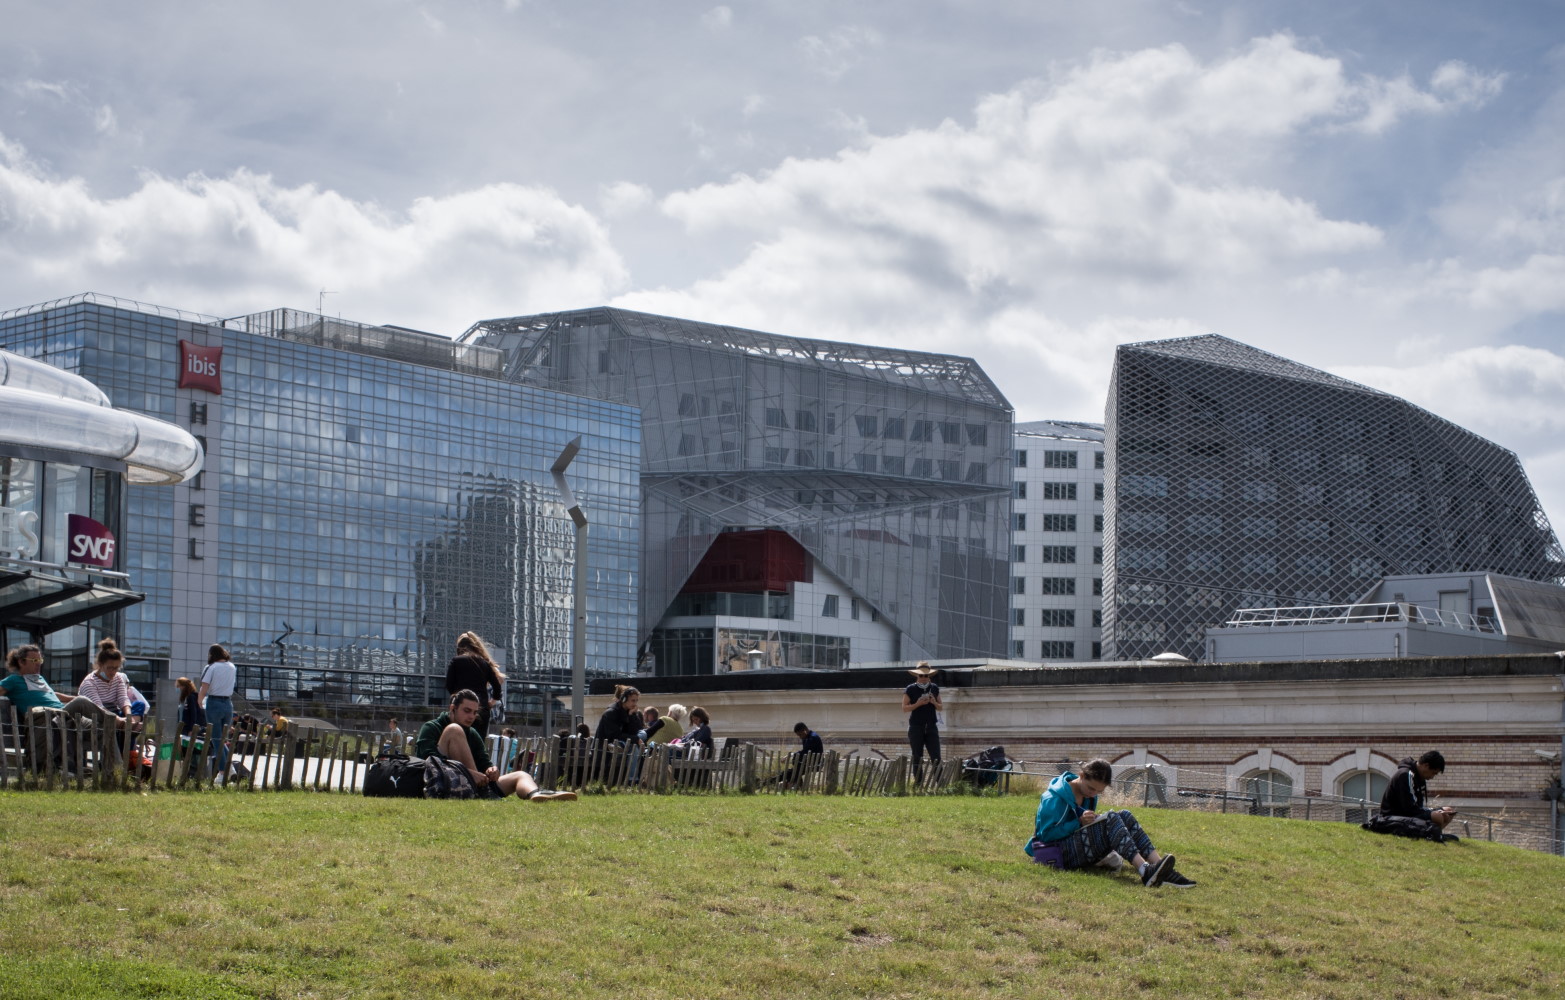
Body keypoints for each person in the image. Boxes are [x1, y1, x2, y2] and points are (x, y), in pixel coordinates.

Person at [1028, 758, 1195, 888]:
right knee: (1112, 818)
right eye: (1091, 789)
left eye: (1098, 792)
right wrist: (1079, 822)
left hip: (1072, 846)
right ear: (1081, 776)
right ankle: (1145, 870)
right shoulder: (1053, 799)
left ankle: (1159, 867)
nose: (1093, 795)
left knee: (1125, 815)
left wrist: (1091, 822)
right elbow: (1046, 835)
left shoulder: (1086, 795)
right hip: (1056, 854)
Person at [416, 690, 574, 801]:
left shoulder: (472, 733)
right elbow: (428, 761)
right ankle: (479, 792)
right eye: (466, 711)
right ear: (452, 708)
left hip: (481, 786)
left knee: (521, 775)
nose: (471, 716)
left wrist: (492, 770)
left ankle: (535, 795)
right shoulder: (432, 727)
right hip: (444, 784)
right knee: (454, 730)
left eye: (474, 712)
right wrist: (470, 774)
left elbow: (484, 762)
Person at [1, 644, 128, 770]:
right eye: (34, 660)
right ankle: (117, 721)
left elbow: (50, 694)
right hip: (49, 719)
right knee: (82, 701)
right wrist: (78, 700)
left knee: (104, 728)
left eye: (40, 660)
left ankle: (116, 772)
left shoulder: (39, 679)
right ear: (21, 662)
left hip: (65, 717)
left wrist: (70, 698)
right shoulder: (13, 680)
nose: (39, 663)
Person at [443, 632, 505, 737]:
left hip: (461, 708)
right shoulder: (484, 663)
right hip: (481, 708)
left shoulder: (456, 661)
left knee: (458, 739)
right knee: (478, 742)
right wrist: (491, 702)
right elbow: (497, 687)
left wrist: (457, 700)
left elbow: (449, 685)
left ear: (459, 647)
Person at [1379, 751, 1456, 831]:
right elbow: (1409, 808)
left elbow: (1418, 807)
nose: (1432, 777)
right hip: (1392, 817)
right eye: (1433, 773)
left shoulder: (1420, 778)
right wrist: (1433, 812)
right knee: (1438, 817)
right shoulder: (1405, 775)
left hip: (1407, 814)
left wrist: (1438, 810)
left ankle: (1433, 835)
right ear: (1426, 765)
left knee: (1448, 811)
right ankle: (1432, 835)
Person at [197, 643, 236, 779]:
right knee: (222, 739)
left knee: (216, 738)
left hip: (214, 702)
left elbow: (204, 687)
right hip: (228, 703)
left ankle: (222, 772)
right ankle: (229, 767)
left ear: (211, 655)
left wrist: (199, 701)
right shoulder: (232, 667)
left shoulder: (211, 667)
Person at [902, 663, 942, 783]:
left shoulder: (934, 688)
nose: (923, 678)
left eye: (926, 675)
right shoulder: (911, 688)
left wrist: (933, 702)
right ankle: (918, 784)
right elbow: (904, 708)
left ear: (929, 676)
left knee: (936, 756)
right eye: (921, 675)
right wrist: (918, 704)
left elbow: (940, 707)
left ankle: (939, 784)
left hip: (931, 726)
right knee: (917, 756)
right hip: (916, 726)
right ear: (917, 676)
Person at [77, 639, 132, 718]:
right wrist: (119, 720)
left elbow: (123, 698)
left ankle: (130, 724)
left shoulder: (118, 678)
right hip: (98, 715)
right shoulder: (89, 682)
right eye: (109, 668)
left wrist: (128, 716)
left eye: (116, 668)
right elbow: (98, 707)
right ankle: (124, 726)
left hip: (115, 712)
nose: (113, 672)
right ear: (100, 664)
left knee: (138, 705)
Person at [775, 722, 823, 788]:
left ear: (804, 731)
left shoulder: (813, 738)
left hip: (814, 764)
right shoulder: (805, 738)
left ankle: (795, 785)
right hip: (806, 763)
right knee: (787, 773)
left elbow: (805, 752)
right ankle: (765, 782)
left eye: (800, 734)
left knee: (790, 773)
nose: (800, 737)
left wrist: (791, 755)